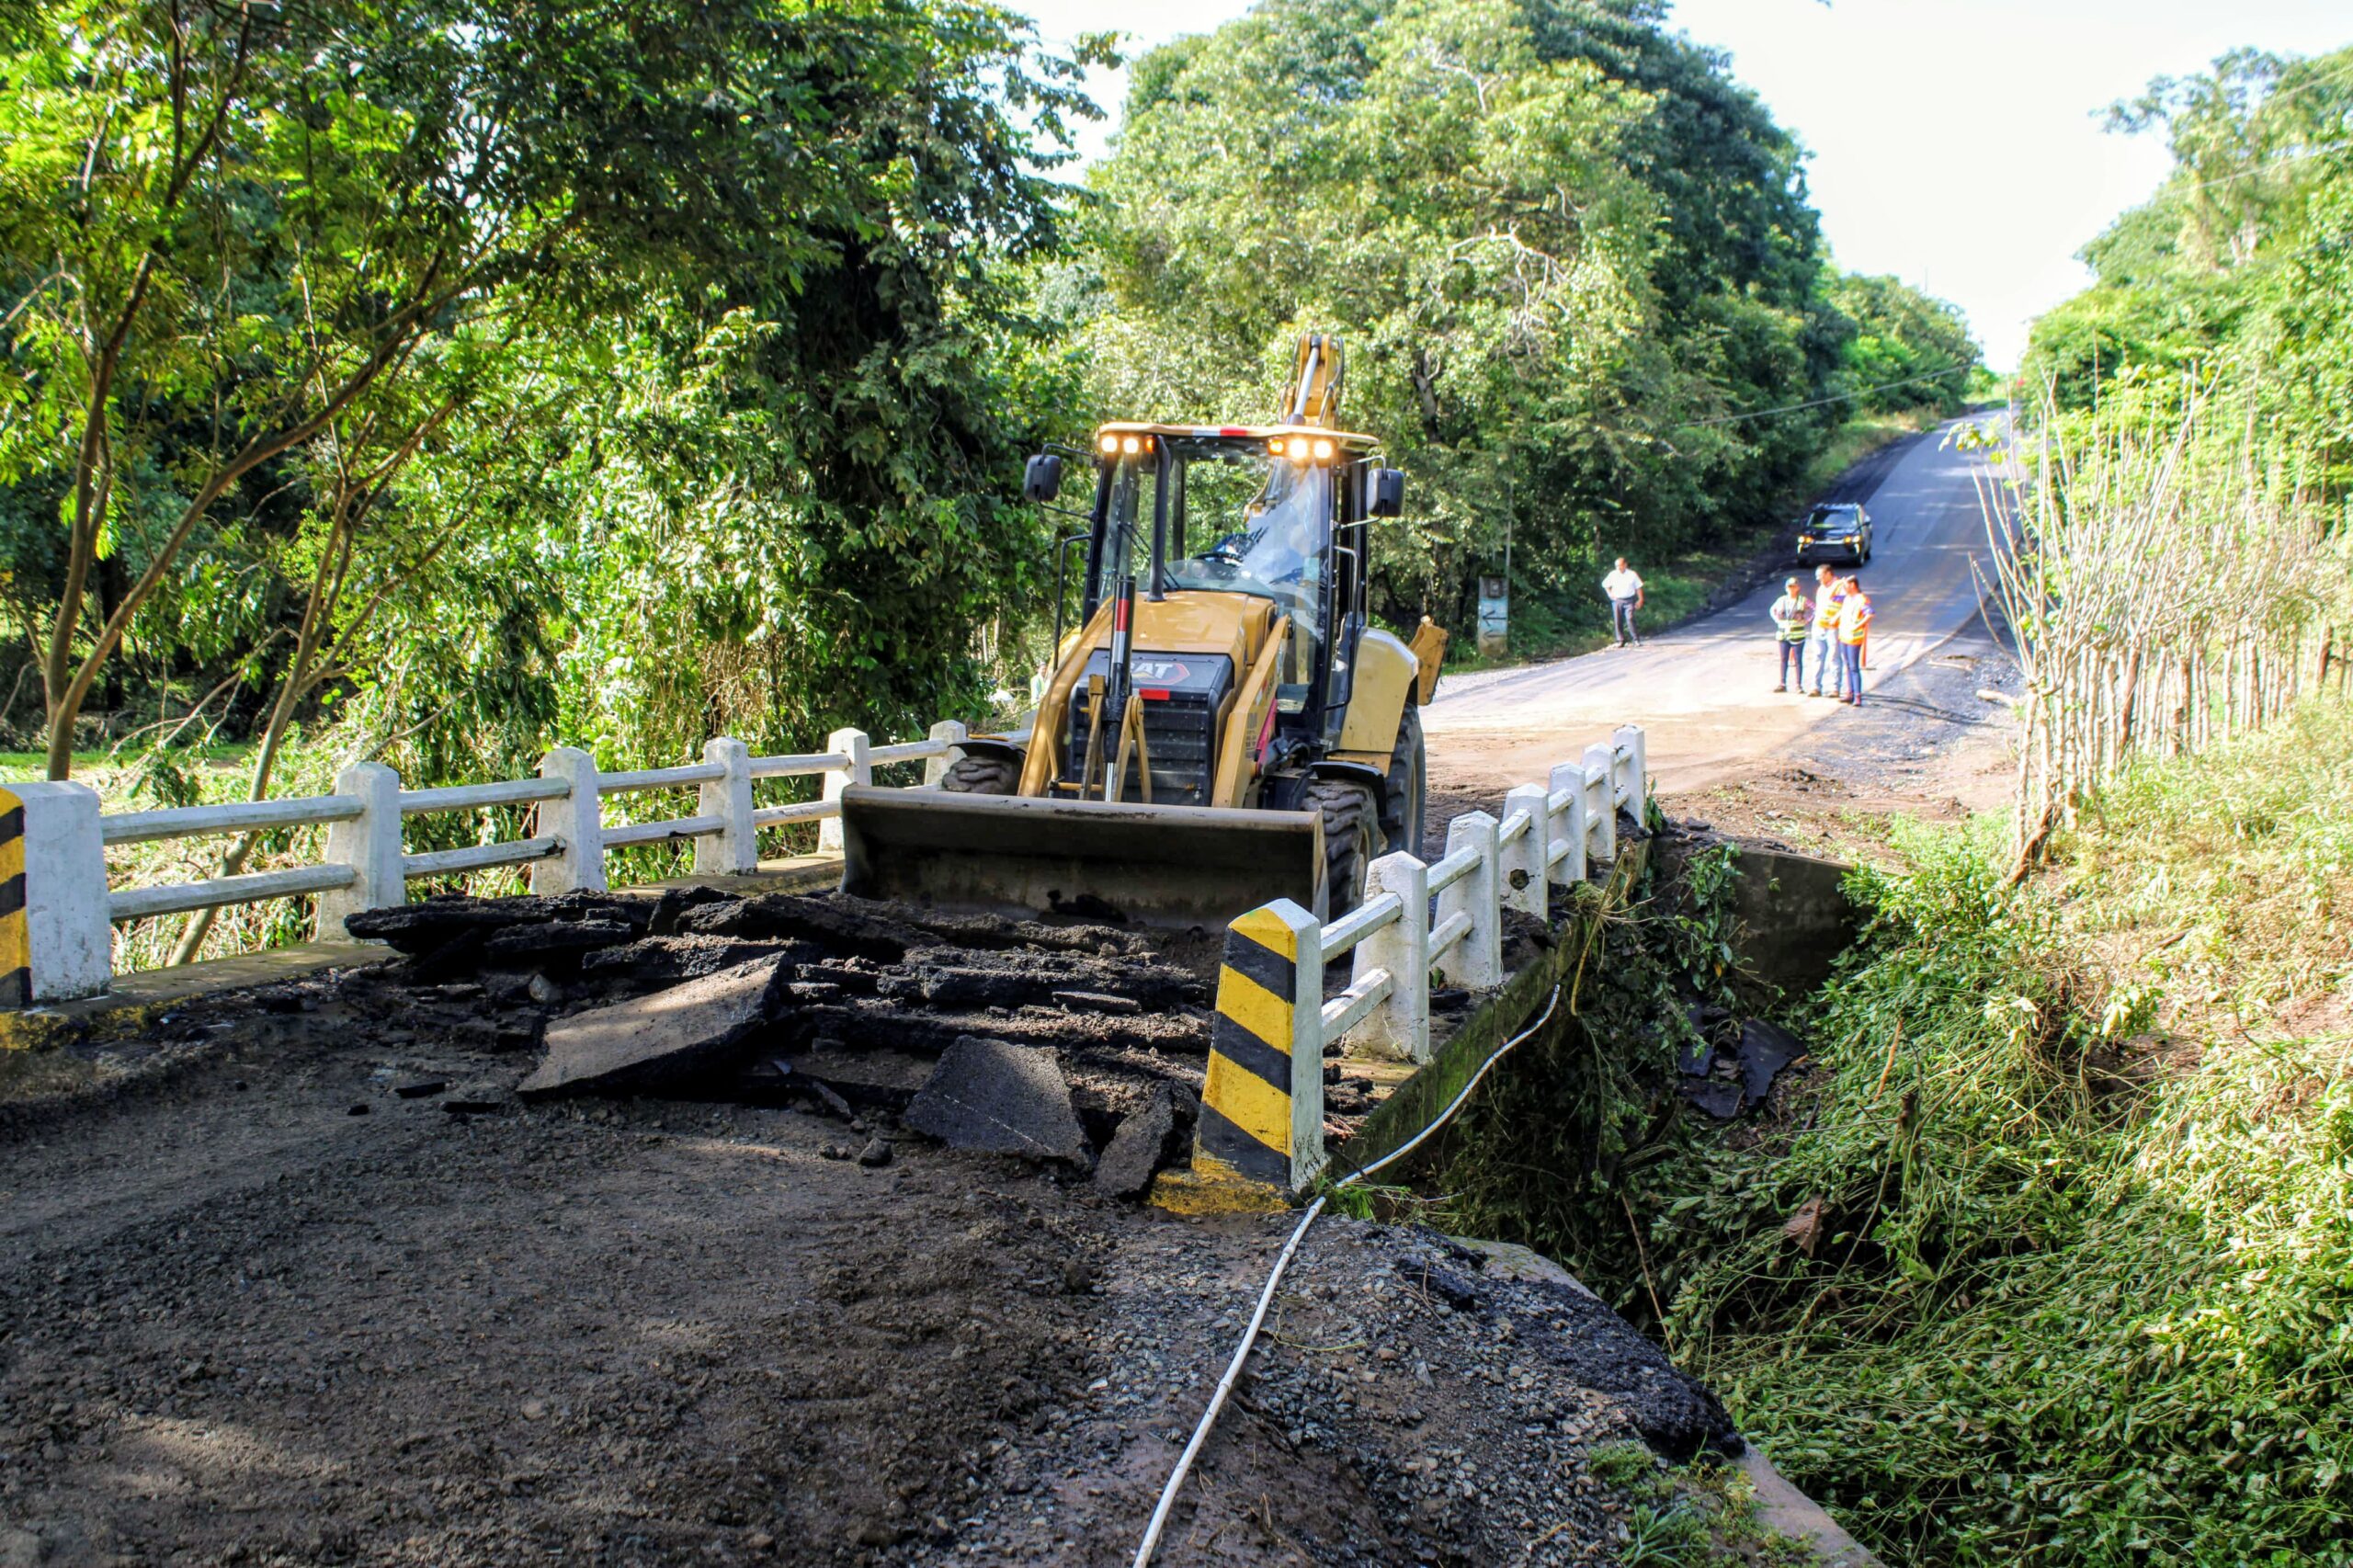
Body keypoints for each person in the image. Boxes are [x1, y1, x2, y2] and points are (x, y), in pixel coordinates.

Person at [1806, 564, 1847, 699]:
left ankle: (1835, 688)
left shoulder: (1840, 586)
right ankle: (1816, 687)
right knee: (1818, 656)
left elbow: (1845, 605)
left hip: (1833, 627)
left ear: (1829, 573)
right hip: (1819, 626)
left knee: (1834, 657)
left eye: (1821, 575)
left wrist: (1836, 617)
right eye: (1817, 576)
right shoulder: (1821, 588)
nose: (1818, 578)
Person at [1836, 573, 1873, 706]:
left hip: (1854, 637)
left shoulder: (1861, 599)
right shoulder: (1847, 598)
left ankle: (1857, 695)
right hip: (1844, 636)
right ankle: (1850, 692)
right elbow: (1833, 598)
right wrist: (1840, 583)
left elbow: (1869, 614)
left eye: (1846, 585)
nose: (1844, 587)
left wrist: (1858, 625)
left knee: (1853, 667)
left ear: (1852, 585)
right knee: (1847, 665)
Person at [1768, 576, 1810, 692]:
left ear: (1798, 588)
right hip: (1783, 634)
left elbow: (1815, 609)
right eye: (1789, 587)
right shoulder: (1781, 600)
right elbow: (1772, 610)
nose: (1791, 589)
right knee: (1783, 659)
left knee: (1798, 660)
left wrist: (1807, 619)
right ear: (1786, 588)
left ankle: (1798, 685)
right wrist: (1777, 620)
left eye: (1794, 586)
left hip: (1798, 634)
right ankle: (1782, 683)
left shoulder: (1802, 600)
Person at [1601, 557, 1644, 647]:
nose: (1618, 568)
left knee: (1630, 618)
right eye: (1616, 566)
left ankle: (1636, 639)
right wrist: (1610, 594)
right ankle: (1620, 640)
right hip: (1617, 600)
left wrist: (1640, 599)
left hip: (1629, 599)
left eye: (1620, 566)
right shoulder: (1613, 574)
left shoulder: (1632, 574)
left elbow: (1638, 587)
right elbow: (1605, 585)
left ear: (1625, 565)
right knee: (1618, 620)